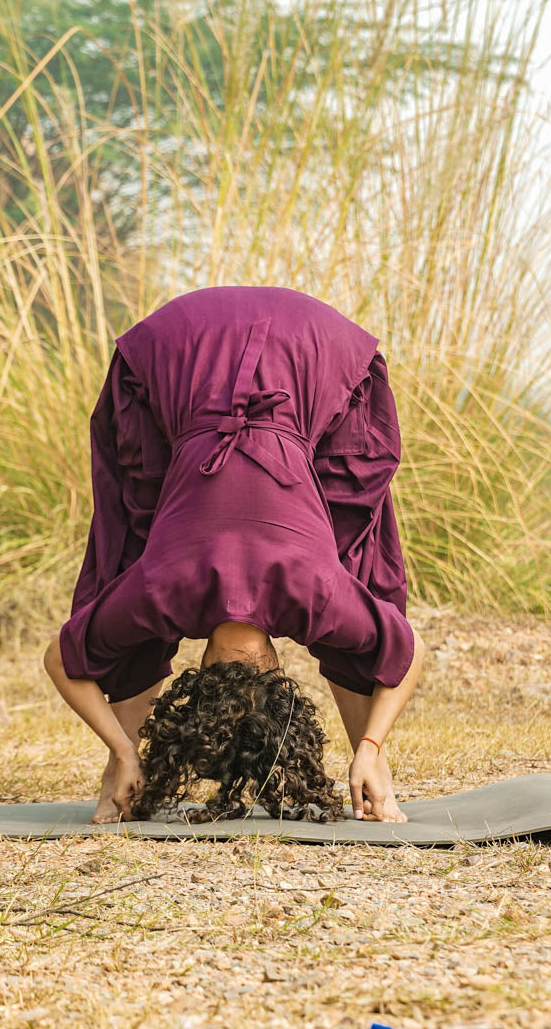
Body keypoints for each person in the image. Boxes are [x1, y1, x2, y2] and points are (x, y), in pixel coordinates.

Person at [43, 285, 425, 823]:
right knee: (129, 549)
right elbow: (61, 660)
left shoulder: (310, 596)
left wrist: (373, 743)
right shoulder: (164, 591)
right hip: (179, 346)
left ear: (277, 676)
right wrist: (127, 749)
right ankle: (377, 772)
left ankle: (375, 764)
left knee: (356, 565)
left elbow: (409, 656)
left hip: (309, 346)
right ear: (197, 675)